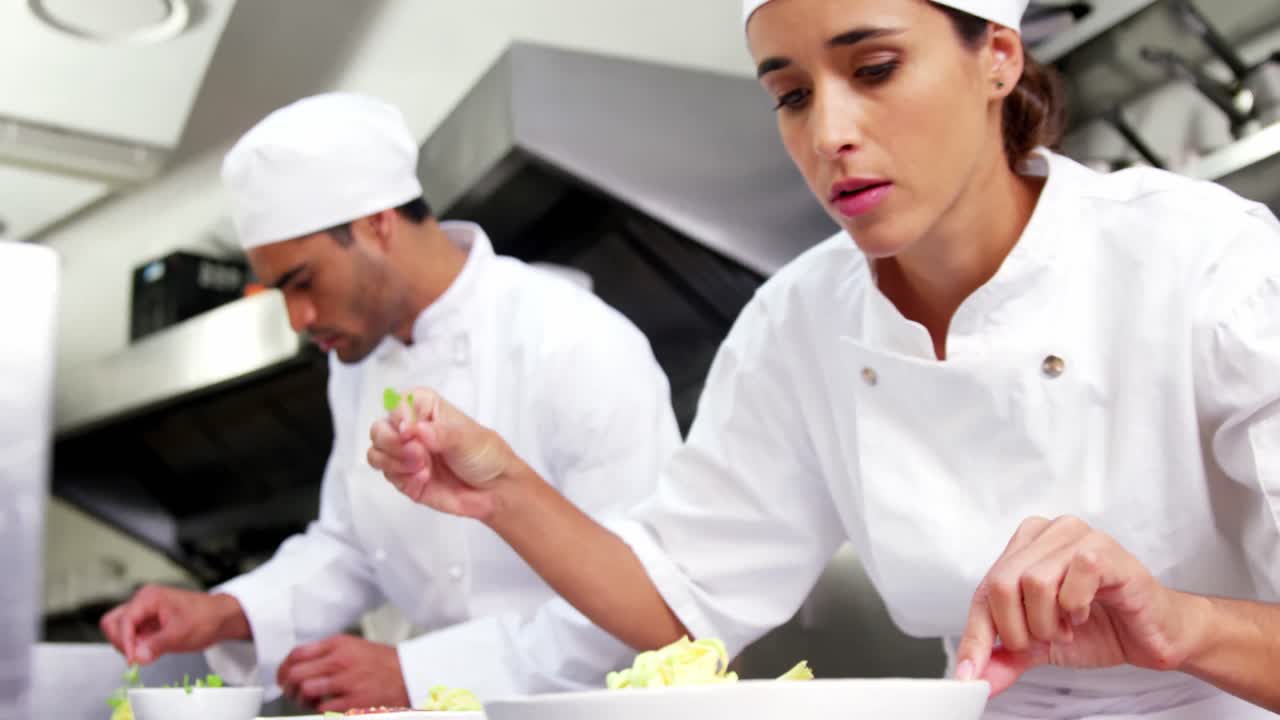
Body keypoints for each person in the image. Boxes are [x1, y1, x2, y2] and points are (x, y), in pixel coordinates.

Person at [367, 1, 1280, 717]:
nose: (827, 132)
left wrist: (1182, 625)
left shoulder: (1201, 258)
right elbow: (681, 605)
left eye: (874, 69)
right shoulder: (799, 321)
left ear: (997, 56)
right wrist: (505, 494)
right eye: (791, 94)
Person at [98, 92, 681, 713]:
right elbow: (352, 545)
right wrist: (222, 611)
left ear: (377, 223)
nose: (299, 318)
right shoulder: (359, 365)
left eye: (303, 281)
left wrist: (417, 673)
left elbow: (641, 599)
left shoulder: (575, 340)